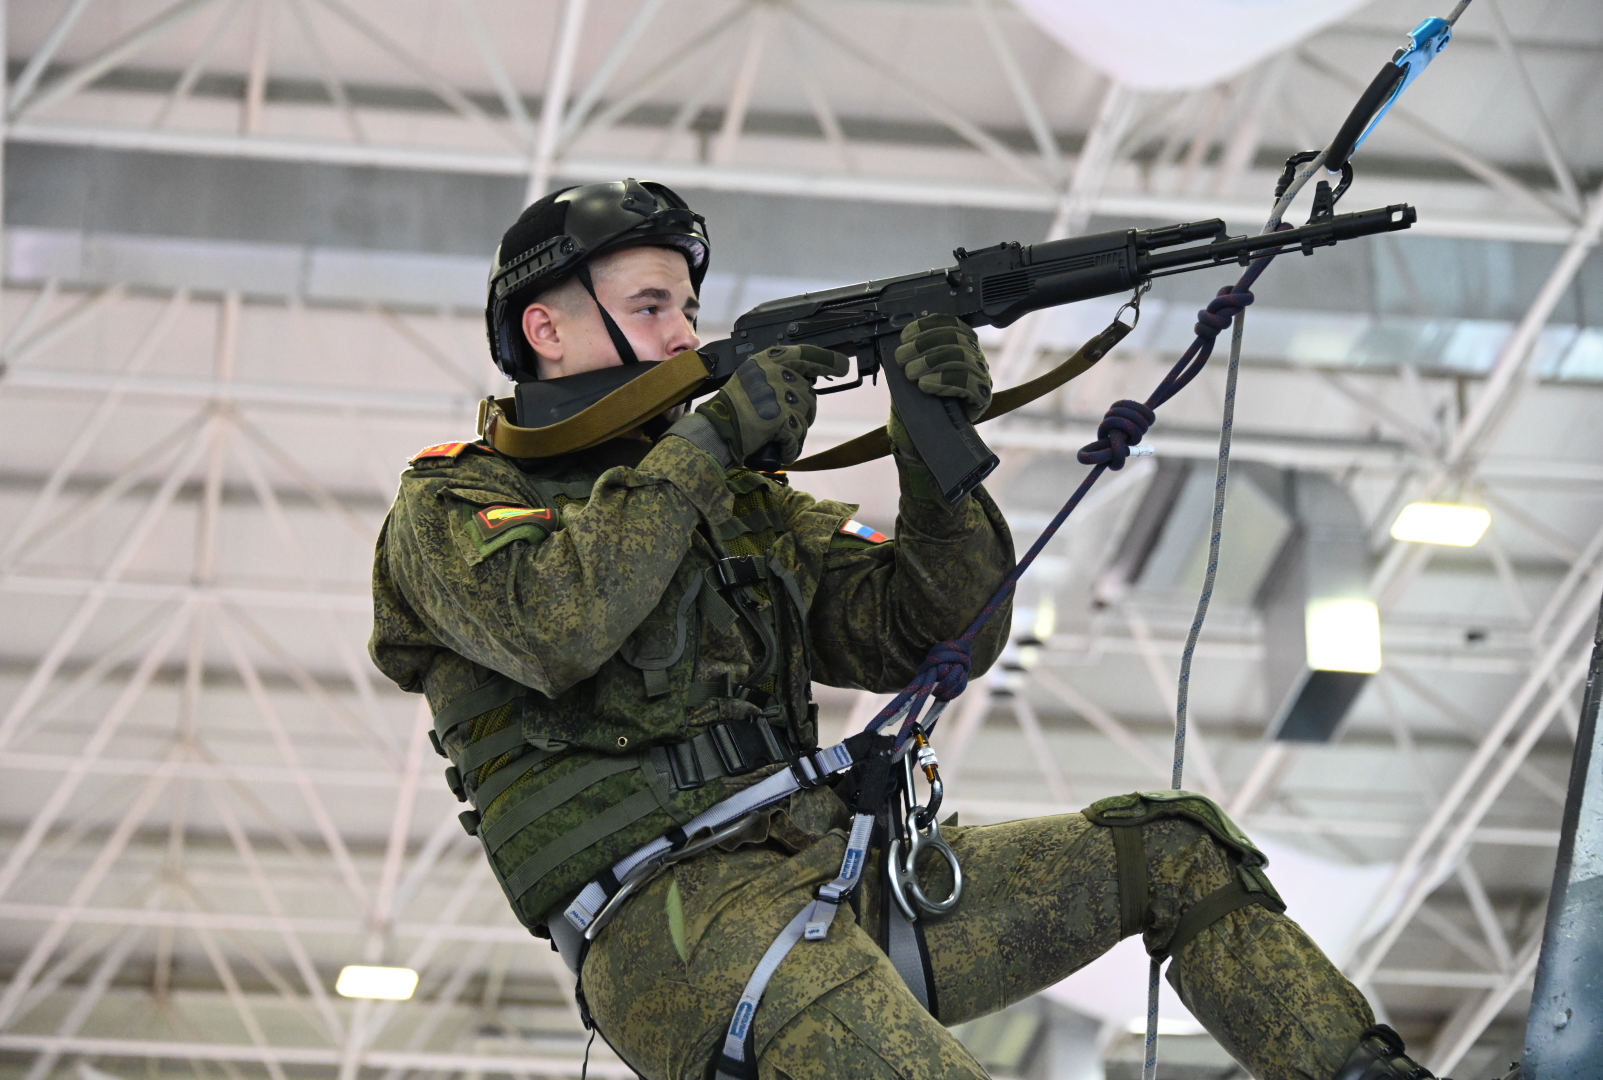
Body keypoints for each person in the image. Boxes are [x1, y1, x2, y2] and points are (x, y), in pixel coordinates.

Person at [370, 179, 1447, 1080]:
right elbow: (560, 623)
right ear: (545, 330)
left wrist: (933, 449)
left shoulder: (739, 509)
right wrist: (712, 444)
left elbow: (931, 635)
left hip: (832, 874)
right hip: (676, 933)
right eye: (653, 308)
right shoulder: (450, 508)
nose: (687, 336)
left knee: (1173, 848)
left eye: (688, 308)